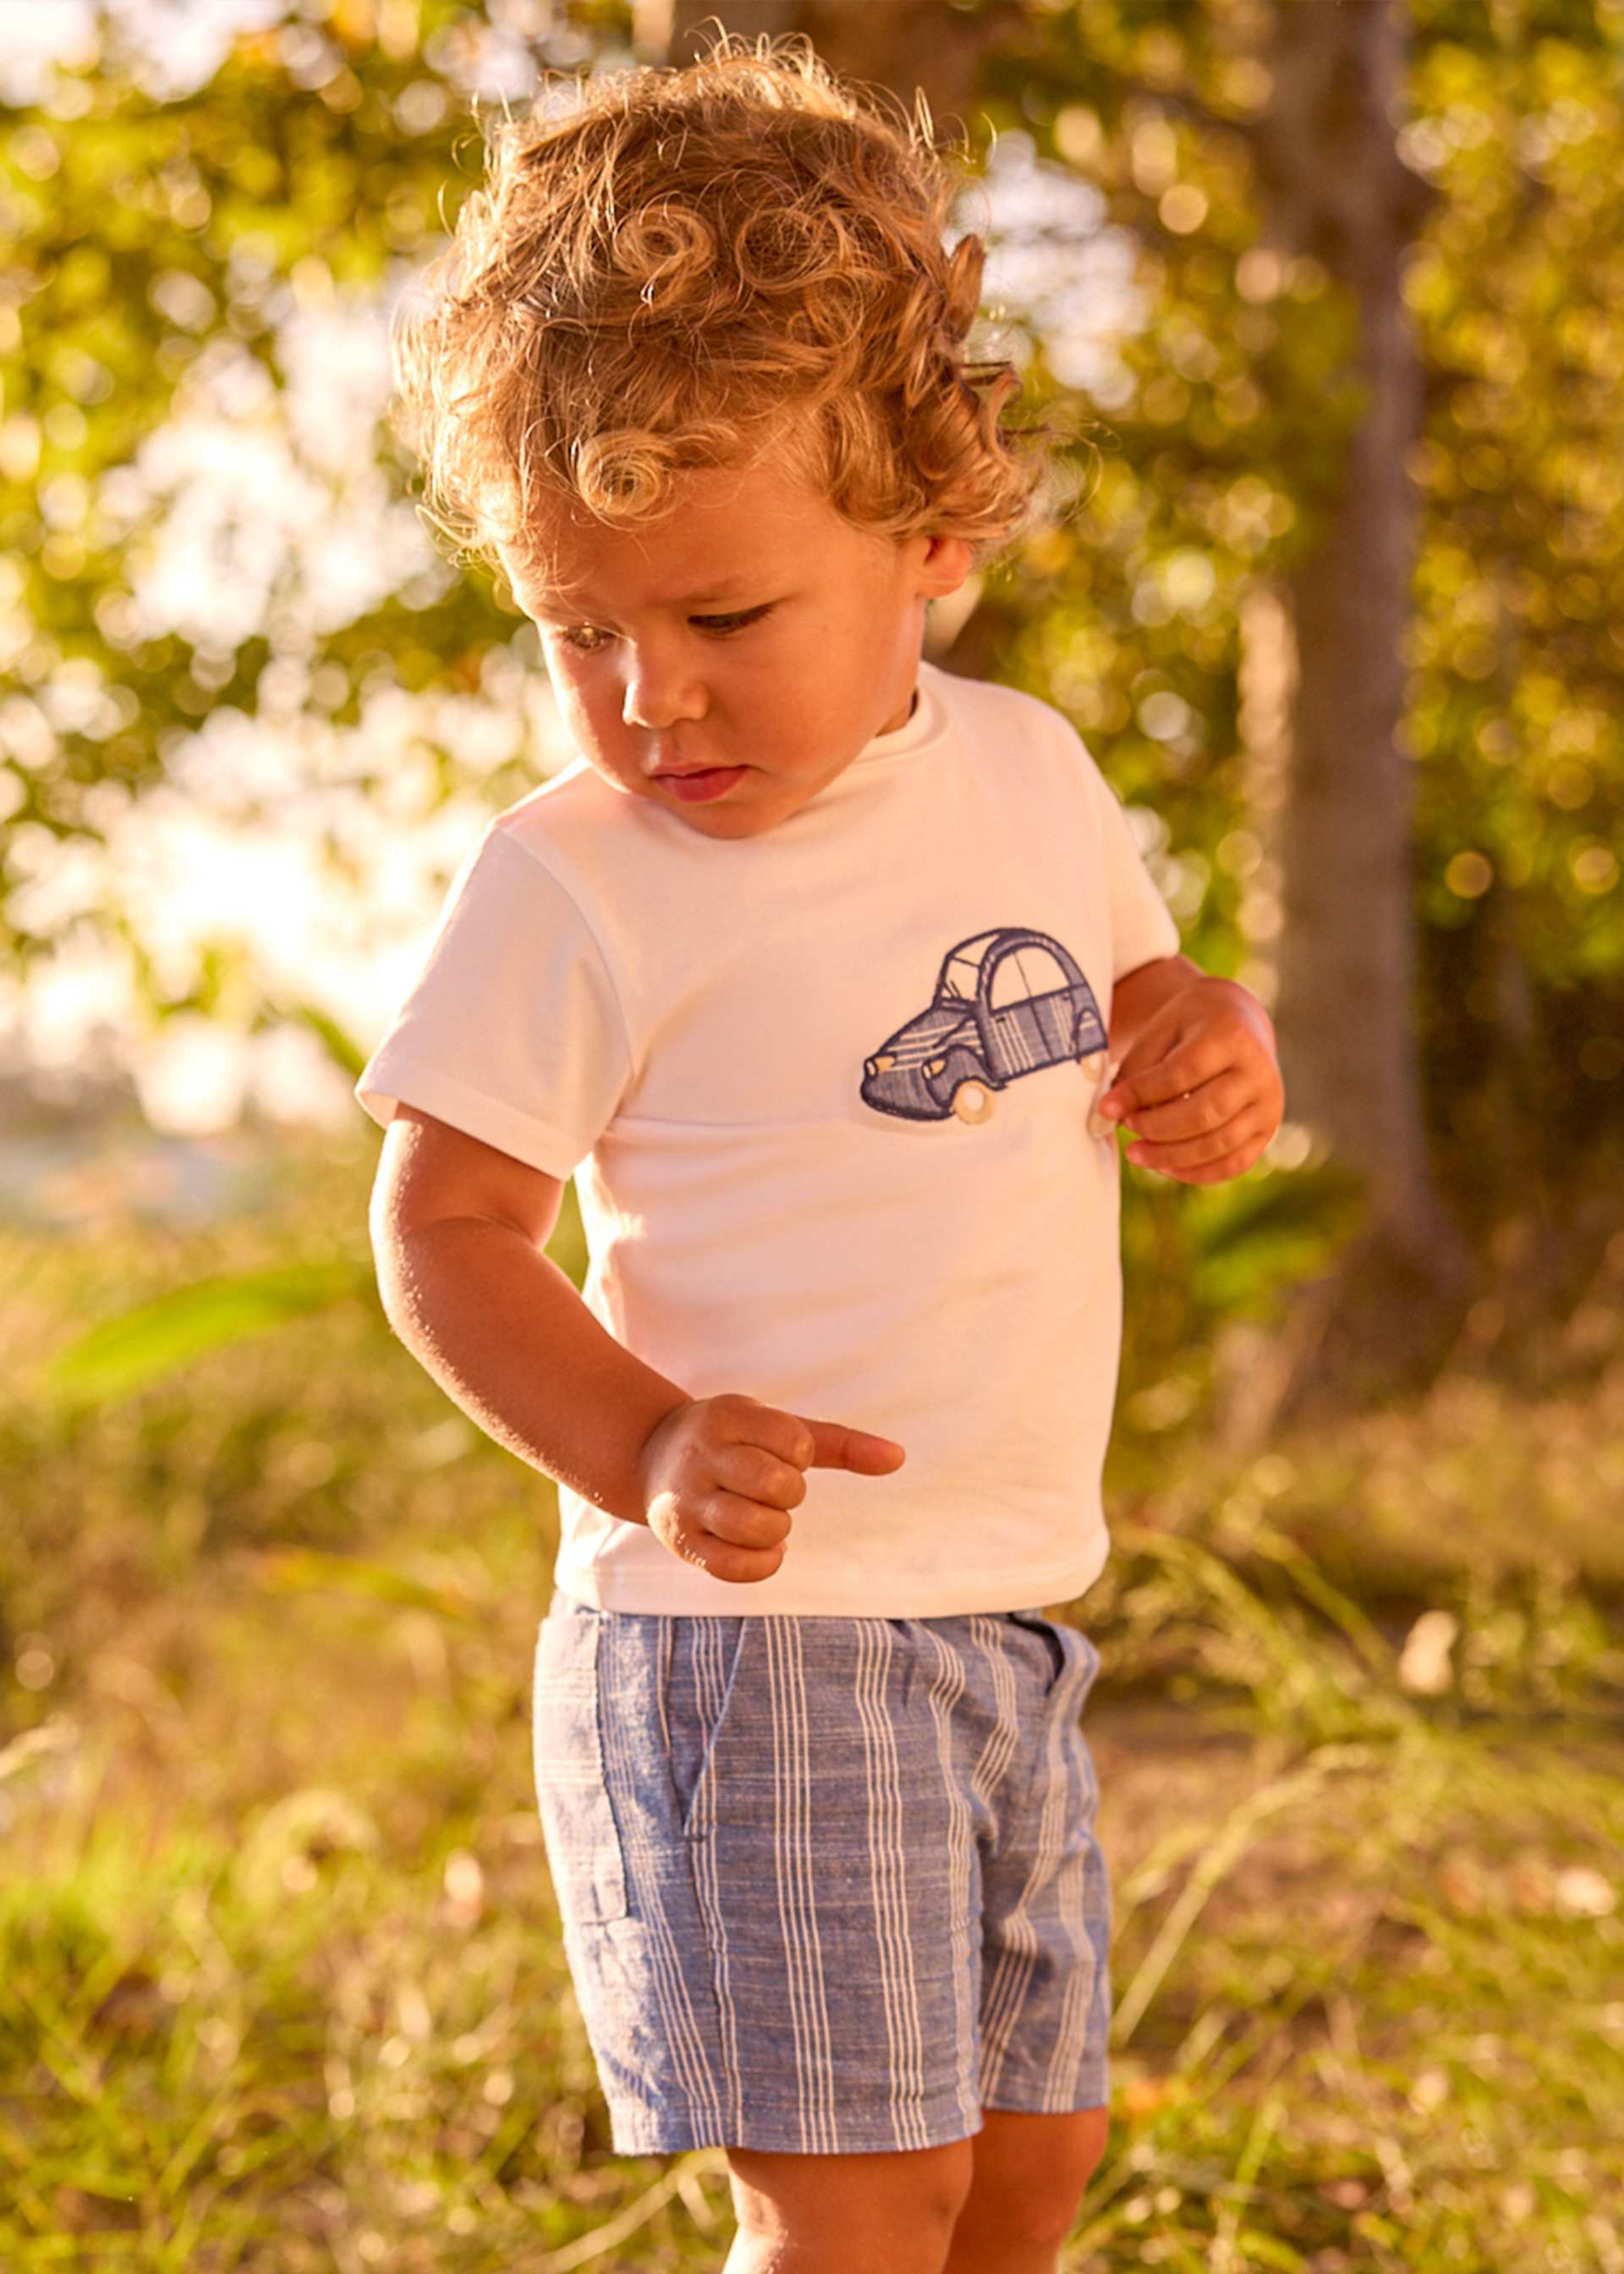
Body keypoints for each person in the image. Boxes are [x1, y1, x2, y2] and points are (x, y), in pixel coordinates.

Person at [354, 30, 1284, 2274]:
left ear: (931, 535)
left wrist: (1209, 1047)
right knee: (857, 2207)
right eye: (580, 630)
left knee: (1024, 2175)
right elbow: (445, 1226)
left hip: (1004, 1615)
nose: (650, 695)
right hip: (747, 1648)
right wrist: (647, 1442)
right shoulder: (576, 880)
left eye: (725, 618)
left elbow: (1139, 1012)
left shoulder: (1035, 777)